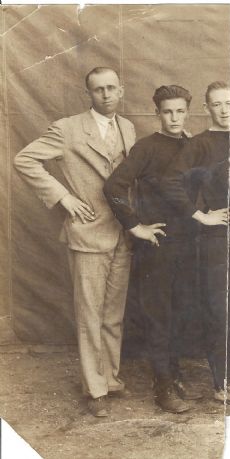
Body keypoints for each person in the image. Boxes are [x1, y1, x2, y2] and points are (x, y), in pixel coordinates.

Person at [14, 67, 136, 417]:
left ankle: (110, 378)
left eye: (112, 88)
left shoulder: (127, 128)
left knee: (113, 315)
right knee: (89, 314)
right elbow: (25, 159)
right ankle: (94, 388)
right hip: (86, 235)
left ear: (121, 90)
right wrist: (63, 197)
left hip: (121, 234)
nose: (106, 94)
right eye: (99, 90)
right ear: (89, 95)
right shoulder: (68, 129)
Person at [161, 82, 230, 406]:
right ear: (207, 108)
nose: (224, 110)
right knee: (219, 311)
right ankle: (220, 385)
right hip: (214, 239)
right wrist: (200, 214)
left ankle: (227, 374)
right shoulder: (198, 144)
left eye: (228, 103)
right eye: (216, 104)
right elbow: (171, 181)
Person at [104, 85, 205, 413]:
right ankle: (162, 385)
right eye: (167, 112)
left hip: (188, 243)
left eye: (179, 111)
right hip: (157, 245)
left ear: (187, 112)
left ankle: (172, 375)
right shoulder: (146, 147)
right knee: (159, 315)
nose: (174, 117)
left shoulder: (193, 145)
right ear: (157, 114)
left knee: (181, 311)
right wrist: (135, 226)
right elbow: (114, 186)